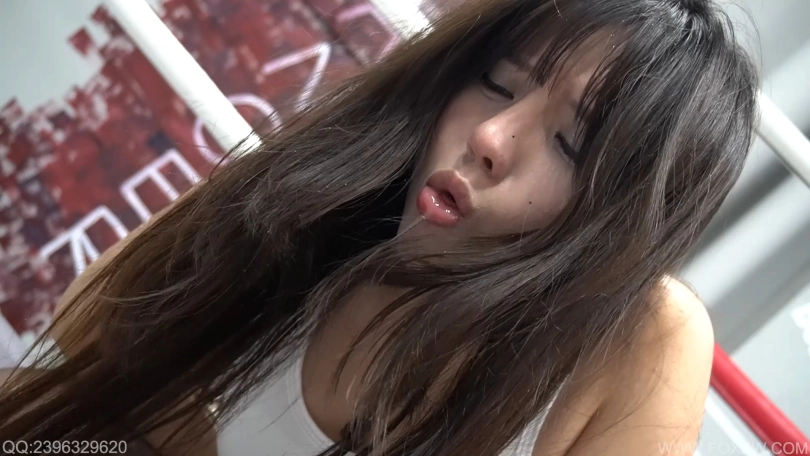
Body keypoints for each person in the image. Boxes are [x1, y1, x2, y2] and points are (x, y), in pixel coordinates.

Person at [0, 0, 759, 454]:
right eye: (497, 83)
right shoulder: (310, 204)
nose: (490, 138)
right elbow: (70, 364)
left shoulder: (645, 339)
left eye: (569, 142)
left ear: (622, 219)